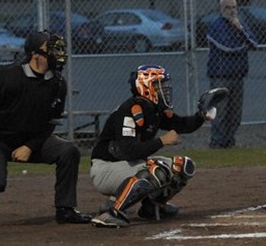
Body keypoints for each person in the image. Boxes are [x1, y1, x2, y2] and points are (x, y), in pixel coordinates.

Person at [0, 31, 91, 226]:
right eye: (52, 50)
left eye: (59, 50)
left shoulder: (57, 84)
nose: (58, 54)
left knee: (68, 151)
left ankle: (66, 210)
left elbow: (49, 125)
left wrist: (30, 146)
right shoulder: (8, 78)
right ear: (35, 54)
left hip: (30, 140)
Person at [89, 64, 222, 228]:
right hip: (105, 168)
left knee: (183, 166)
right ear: (145, 87)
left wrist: (201, 115)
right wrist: (162, 141)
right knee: (156, 170)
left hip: (128, 165)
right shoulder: (130, 109)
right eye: (159, 85)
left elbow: (182, 125)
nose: (165, 90)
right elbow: (127, 150)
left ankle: (152, 207)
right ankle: (111, 212)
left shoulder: (153, 110)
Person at [206, 0, 258, 148]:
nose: (231, 11)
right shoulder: (216, 26)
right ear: (221, 9)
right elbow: (227, 47)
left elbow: (254, 43)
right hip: (220, 76)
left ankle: (229, 141)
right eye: (228, 8)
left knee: (235, 114)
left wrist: (240, 30)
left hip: (238, 75)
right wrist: (243, 45)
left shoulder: (240, 25)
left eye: (234, 7)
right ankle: (217, 142)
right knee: (220, 112)